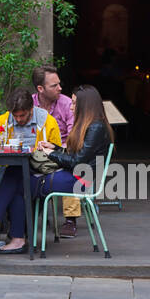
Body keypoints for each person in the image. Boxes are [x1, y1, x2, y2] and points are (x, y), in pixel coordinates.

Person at [0, 88, 64, 251]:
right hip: (11, 168)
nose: (18, 119)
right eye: (15, 116)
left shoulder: (47, 122)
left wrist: (48, 148)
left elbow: (57, 154)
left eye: (22, 115)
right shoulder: (3, 120)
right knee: (13, 177)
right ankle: (17, 239)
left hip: (39, 170)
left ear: (31, 109)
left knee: (15, 175)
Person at [29, 84, 115, 239]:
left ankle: (21, 233)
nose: (71, 107)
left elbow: (77, 161)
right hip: (76, 176)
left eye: (74, 103)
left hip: (80, 181)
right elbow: (78, 155)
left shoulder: (95, 127)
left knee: (25, 182)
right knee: (23, 180)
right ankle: (22, 232)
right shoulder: (91, 125)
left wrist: (51, 153)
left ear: (85, 105)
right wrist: (54, 147)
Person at [32, 65, 74, 140]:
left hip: (61, 149)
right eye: (54, 86)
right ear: (40, 89)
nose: (60, 88)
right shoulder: (29, 104)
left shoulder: (68, 104)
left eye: (59, 84)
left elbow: (73, 137)